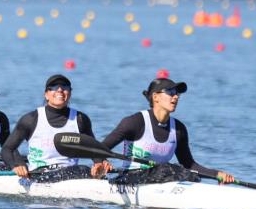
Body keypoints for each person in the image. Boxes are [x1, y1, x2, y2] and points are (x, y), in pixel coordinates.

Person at [91, 77, 235, 184]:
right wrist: (100, 162)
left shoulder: (178, 129)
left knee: (190, 175)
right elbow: (99, 149)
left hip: (161, 179)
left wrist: (217, 174)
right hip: (130, 178)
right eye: (171, 92)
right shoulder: (135, 122)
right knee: (167, 169)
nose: (176, 96)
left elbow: (189, 165)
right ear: (155, 97)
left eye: (177, 93)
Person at [1, 74, 103, 179]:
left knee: (84, 169)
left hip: (72, 175)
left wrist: (99, 162)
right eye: (54, 87)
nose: (60, 90)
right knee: (83, 169)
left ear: (70, 93)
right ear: (46, 95)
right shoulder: (30, 119)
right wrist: (16, 165)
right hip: (39, 175)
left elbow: (94, 150)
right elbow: (7, 149)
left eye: (64, 87)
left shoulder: (80, 119)